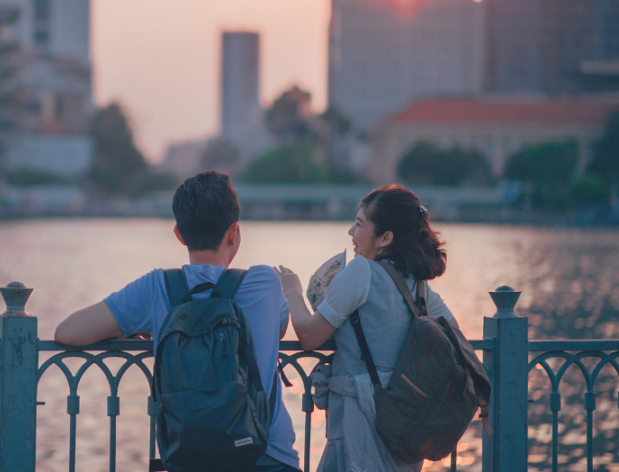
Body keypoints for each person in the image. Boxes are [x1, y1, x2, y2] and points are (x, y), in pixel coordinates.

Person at [55, 171, 301, 472]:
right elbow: (276, 332)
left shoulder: (156, 287)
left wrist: (133, 328)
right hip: (266, 454)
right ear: (234, 232)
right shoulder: (265, 281)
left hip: (189, 456)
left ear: (179, 234)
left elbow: (68, 332)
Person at [276, 184, 456, 472]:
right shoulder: (419, 286)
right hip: (403, 421)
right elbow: (452, 335)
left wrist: (292, 292)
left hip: (359, 418)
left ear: (385, 238)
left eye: (359, 224)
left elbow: (309, 336)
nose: (351, 232)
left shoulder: (362, 271)